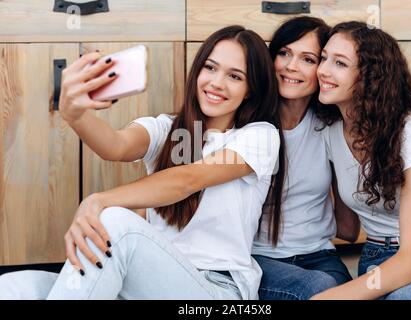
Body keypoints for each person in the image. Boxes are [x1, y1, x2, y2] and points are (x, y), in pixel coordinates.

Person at [0, 25, 284, 300]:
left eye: (235, 76)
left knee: (115, 221)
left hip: (216, 288)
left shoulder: (259, 137)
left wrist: (99, 200)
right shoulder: (167, 129)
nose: (216, 82)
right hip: (141, 280)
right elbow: (116, 146)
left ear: (250, 89)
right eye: (210, 67)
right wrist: (74, 114)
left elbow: (188, 180)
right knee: (13, 286)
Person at [313, 21, 411, 300]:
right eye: (324, 58)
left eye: (340, 63)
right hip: (378, 255)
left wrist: (331, 297)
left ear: (371, 76)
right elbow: (348, 229)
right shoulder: (329, 131)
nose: (323, 70)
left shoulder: (410, 131)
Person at [251, 16, 357, 300]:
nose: (291, 66)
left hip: (320, 256)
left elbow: (348, 228)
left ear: (322, 70)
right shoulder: (248, 126)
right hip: (257, 258)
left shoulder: (331, 127)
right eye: (284, 53)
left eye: (308, 59)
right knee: (321, 290)